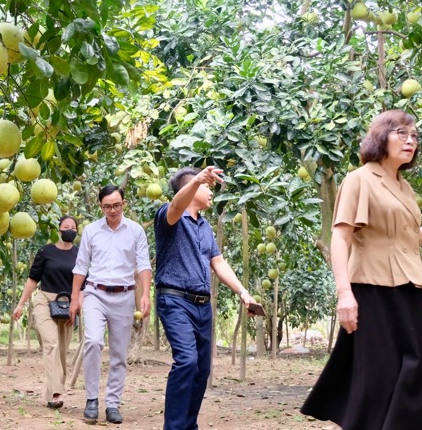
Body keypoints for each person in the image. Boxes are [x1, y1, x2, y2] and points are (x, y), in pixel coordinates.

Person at [300, 110, 422, 430]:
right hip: (371, 288)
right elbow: (340, 236)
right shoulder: (359, 179)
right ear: (382, 137)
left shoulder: (405, 187)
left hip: (408, 288)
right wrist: (344, 295)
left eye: (414, 136)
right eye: (401, 133)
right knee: (381, 378)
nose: (410, 141)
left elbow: (402, 240)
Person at [154, 166, 256, 430]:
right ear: (194, 188)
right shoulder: (169, 216)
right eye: (208, 187)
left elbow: (219, 264)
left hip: (202, 305)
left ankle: (188, 426)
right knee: (186, 361)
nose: (211, 192)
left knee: (201, 371)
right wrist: (198, 179)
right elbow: (177, 205)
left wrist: (243, 292)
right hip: (175, 300)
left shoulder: (204, 226)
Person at [68, 185, 151, 424]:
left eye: (116, 205)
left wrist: (145, 294)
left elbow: (144, 264)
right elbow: (81, 266)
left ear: (123, 203)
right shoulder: (91, 231)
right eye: (107, 206)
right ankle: (91, 399)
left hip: (125, 296)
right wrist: (75, 298)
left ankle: (113, 403)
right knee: (93, 341)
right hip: (95, 293)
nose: (112, 210)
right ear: (100, 206)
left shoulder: (135, 231)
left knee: (119, 354)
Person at [13, 215, 84, 409]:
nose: (69, 229)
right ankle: (56, 393)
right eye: (65, 226)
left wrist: (77, 307)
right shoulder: (46, 251)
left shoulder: (80, 254)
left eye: (73, 227)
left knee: (61, 351)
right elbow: (32, 279)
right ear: (59, 229)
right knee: (51, 344)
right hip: (45, 302)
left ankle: (49, 392)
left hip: (68, 305)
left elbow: (84, 285)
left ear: (76, 231)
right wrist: (20, 304)